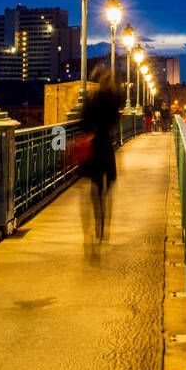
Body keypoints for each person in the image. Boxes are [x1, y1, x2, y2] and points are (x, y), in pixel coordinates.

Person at [80, 67, 121, 243]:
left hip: (94, 146)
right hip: (107, 145)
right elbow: (116, 121)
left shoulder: (93, 98)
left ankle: (95, 219)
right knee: (108, 188)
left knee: (94, 187)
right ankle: (106, 224)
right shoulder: (113, 100)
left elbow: (84, 122)